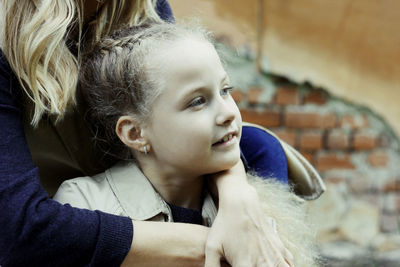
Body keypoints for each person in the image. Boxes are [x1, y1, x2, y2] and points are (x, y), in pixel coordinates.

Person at [0, 0, 299, 266]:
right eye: (199, 101)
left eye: (227, 90)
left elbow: (184, 81)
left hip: (151, 164)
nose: (229, 110)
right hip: (54, 215)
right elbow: (19, 231)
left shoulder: (145, 6)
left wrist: (239, 200)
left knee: (262, 147)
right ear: (132, 133)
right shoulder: (79, 197)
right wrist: (215, 245)